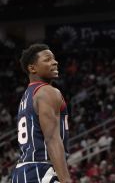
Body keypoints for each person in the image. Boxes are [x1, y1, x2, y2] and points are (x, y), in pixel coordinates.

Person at [11, 44, 71, 183]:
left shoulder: (27, 95)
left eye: (54, 59)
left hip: (23, 172)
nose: (55, 62)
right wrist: (66, 180)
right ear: (32, 68)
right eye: (47, 59)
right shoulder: (47, 91)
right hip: (41, 170)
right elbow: (51, 139)